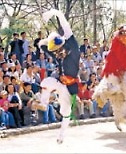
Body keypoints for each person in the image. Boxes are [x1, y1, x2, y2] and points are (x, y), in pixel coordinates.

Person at [39, 9, 80, 143]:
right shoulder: (59, 56)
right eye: (55, 52)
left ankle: (61, 136)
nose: (57, 54)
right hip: (60, 82)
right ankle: (44, 104)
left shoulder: (73, 48)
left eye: (58, 51)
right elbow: (42, 46)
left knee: (66, 113)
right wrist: (44, 41)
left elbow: (66, 26)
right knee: (46, 82)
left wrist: (54, 13)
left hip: (70, 88)